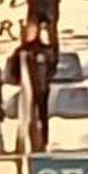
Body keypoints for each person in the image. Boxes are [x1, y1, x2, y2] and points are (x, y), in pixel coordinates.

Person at [7, 21, 56, 152]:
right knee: (25, 117)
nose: (27, 34)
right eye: (26, 32)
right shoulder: (20, 51)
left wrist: (45, 80)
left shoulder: (44, 50)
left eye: (30, 31)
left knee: (41, 117)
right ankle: (25, 143)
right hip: (26, 90)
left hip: (41, 88)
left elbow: (51, 66)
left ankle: (43, 143)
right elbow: (13, 69)